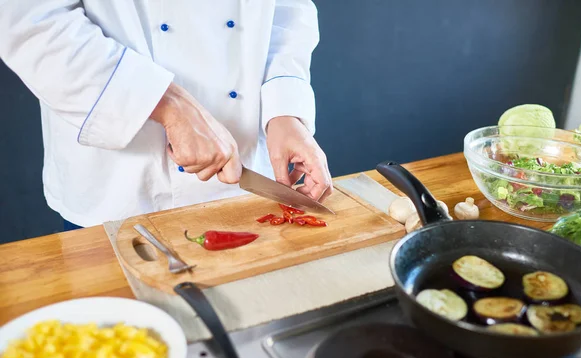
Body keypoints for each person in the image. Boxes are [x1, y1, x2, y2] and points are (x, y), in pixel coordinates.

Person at [0, 0, 332, 230]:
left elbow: (288, 9)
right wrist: (167, 105)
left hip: (249, 174)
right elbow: (31, 23)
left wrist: (284, 108)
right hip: (123, 185)